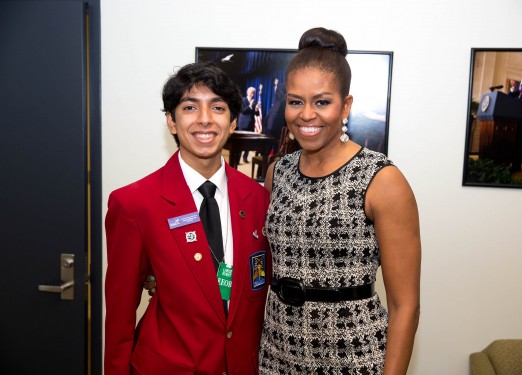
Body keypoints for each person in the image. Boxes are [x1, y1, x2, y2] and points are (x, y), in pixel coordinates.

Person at [259, 27, 421, 374]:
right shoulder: (278, 172)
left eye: (322, 101)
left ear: (345, 105)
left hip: (353, 356)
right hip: (277, 354)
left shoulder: (381, 179)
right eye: (295, 101)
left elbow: (405, 304)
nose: (306, 115)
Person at [104, 62, 271, 375]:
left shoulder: (258, 198)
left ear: (233, 122)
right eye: (190, 107)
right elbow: (119, 318)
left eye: (217, 108)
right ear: (171, 121)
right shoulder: (133, 204)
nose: (205, 119)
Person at [237, 86, 260, 162]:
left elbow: (257, 114)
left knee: (248, 143)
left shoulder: (255, 102)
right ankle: (237, 159)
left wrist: (257, 109)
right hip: (243, 124)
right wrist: (250, 106)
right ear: (248, 93)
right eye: (251, 93)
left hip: (251, 124)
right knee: (240, 143)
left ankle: (245, 158)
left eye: (254, 93)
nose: (253, 94)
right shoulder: (243, 100)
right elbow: (243, 111)